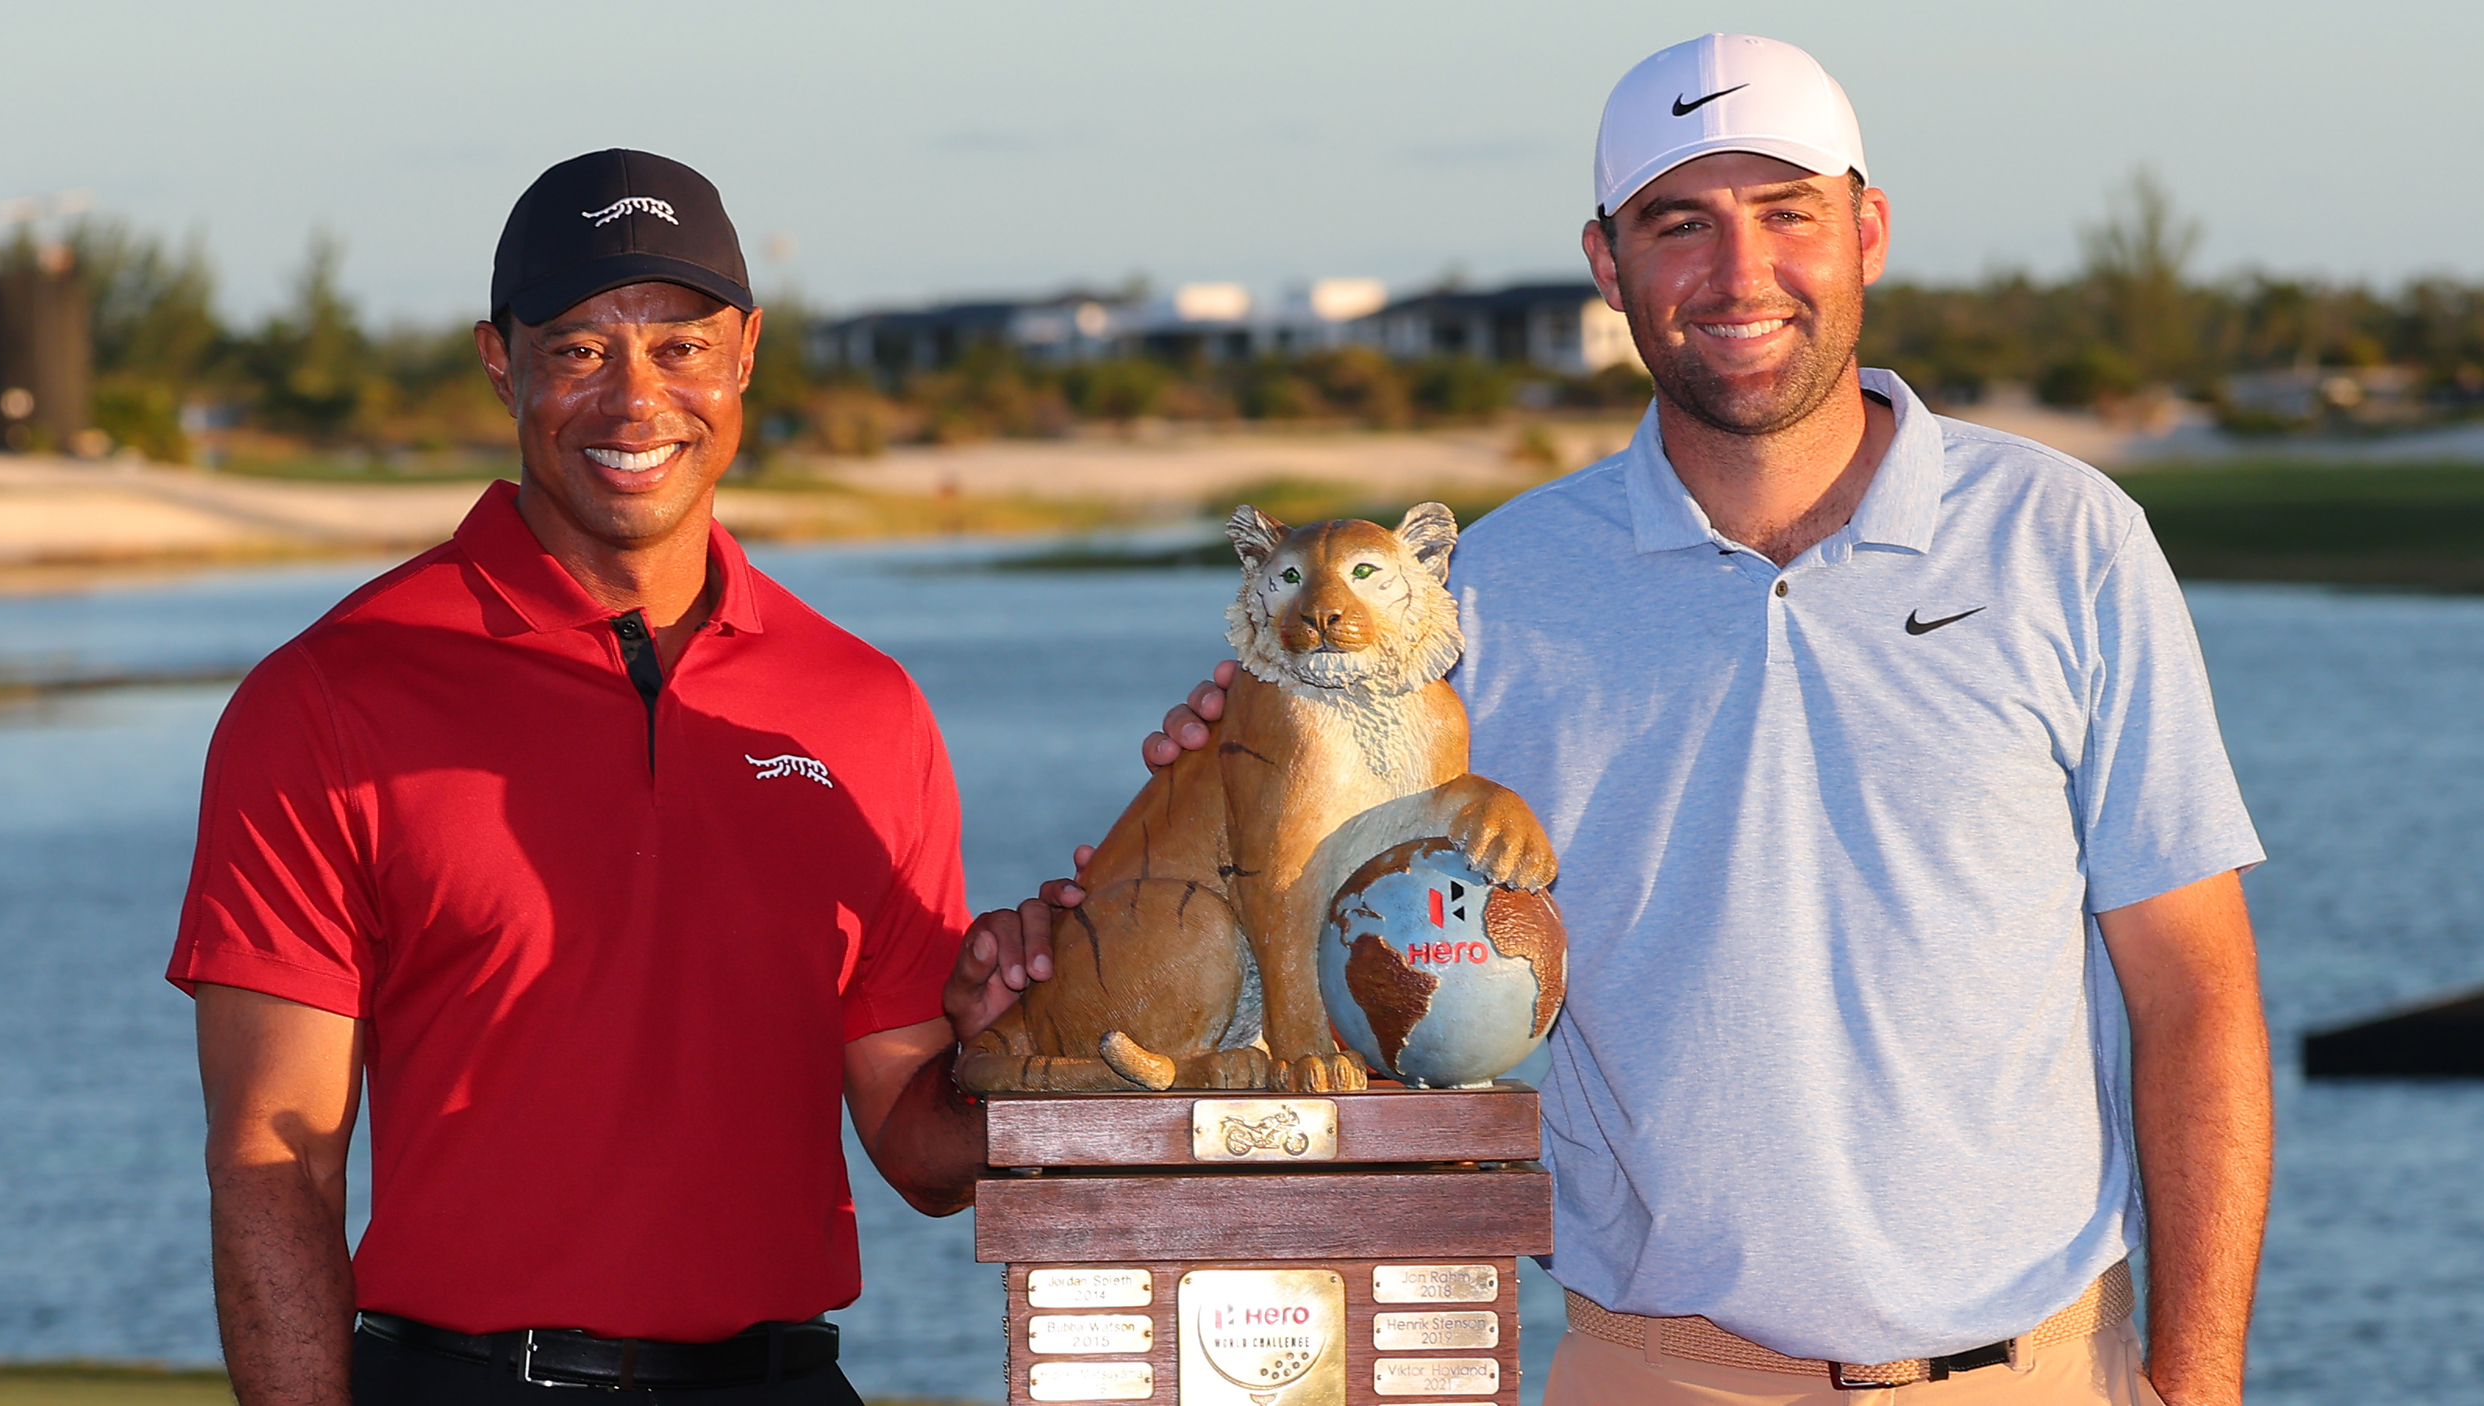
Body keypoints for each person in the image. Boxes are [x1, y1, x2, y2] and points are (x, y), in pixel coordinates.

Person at [1120, 34, 2270, 1406]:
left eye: (1788, 213)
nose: (1740, 274)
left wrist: (2198, 1388)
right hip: (1655, 1373)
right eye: (1681, 223)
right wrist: (1212, 771)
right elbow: (1287, 867)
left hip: (2041, 1370)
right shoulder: (1487, 592)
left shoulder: (2066, 540)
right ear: (1608, 264)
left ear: (1869, 233)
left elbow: (2196, 994)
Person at [171, 149, 1050, 1406]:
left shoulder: (865, 704)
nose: (636, 399)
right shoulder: (327, 697)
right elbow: (272, 1159)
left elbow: (921, 1150)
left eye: (680, 346)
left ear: (744, 353)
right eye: (581, 348)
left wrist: (1037, 1038)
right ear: (500, 361)